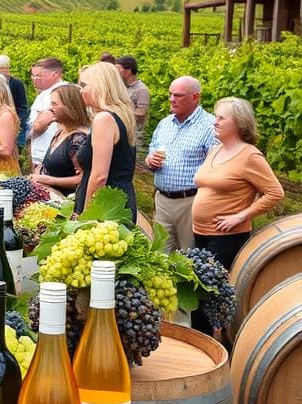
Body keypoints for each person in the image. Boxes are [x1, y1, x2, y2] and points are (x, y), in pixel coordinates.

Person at [192, 97, 284, 270]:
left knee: (212, 288)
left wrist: (241, 216)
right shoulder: (215, 149)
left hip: (226, 236)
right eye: (216, 117)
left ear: (239, 123)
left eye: (221, 118)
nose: (215, 122)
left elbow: (275, 193)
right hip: (200, 231)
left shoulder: (250, 156)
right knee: (198, 286)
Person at [144, 76, 217, 252]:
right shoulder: (165, 124)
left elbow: (215, 167)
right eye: (170, 94)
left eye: (178, 95)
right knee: (159, 254)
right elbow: (151, 153)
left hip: (191, 201)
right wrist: (150, 160)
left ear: (195, 97)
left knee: (189, 255)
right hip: (162, 200)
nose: (171, 99)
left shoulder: (210, 126)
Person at [74, 62, 138, 221]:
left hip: (105, 207)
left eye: (84, 85)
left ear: (100, 87)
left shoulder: (104, 119)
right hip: (119, 199)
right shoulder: (121, 115)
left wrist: (87, 215)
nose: (81, 90)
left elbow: (99, 176)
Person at [33, 84, 90, 196]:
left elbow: (84, 178)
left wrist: (48, 180)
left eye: (54, 104)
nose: (50, 108)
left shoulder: (78, 139)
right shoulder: (60, 132)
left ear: (70, 107)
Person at [27, 57, 68, 171]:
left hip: (46, 153)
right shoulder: (67, 89)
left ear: (56, 74)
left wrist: (25, 135)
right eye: (33, 76)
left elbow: (41, 123)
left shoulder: (53, 93)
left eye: (40, 76)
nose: (35, 79)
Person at [0, 54, 30, 150]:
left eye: (1, 68)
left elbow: (22, 106)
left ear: (8, 68)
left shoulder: (16, 84)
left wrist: (20, 123)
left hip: (15, 121)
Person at [116, 55, 150, 148]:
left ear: (128, 71)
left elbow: (141, 113)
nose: (116, 72)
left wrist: (119, 112)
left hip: (134, 135)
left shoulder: (142, 90)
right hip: (121, 132)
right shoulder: (120, 87)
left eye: (118, 69)